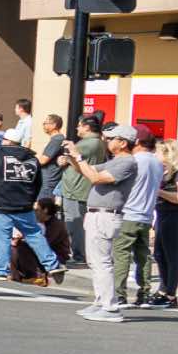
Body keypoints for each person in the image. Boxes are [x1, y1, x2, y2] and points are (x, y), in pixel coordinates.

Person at [62, 123, 138, 324]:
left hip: (106, 216)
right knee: (95, 262)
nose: (107, 141)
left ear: (123, 143)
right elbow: (86, 171)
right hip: (97, 215)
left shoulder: (127, 163)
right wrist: (72, 157)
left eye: (111, 139)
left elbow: (95, 178)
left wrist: (78, 157)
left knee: (102, 262)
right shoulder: (114, 161)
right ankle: (100, 302)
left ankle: (110, 307)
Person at [0, 129, 65, 283]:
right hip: (24, 206)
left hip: (1, 205)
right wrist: (30, 200)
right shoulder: (33, 160)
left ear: (7, 141)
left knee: (2, 238)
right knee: (34, 235)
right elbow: (38, 183)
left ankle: (1, 271)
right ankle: (53, 264)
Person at [112, 126, 164, 307]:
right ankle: (144, 294)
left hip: (128, 212)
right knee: (143, 255)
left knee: (122, 253)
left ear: (138, 142)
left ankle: (119, 294)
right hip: (147, 214)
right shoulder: (157, 162)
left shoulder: (134, 161)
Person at [55, 112, 104, 265]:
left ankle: (79, 256)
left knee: (74, 223)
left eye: (79, 125)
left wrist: (66, 156)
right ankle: (80, 254)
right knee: (78, 223)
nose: (77, 128)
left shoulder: (87, 144)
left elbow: (68, 158)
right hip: (81, 187)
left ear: (87, 127)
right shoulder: (97, 142)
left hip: (76, 189)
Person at [8, 199, 71, 286]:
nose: (34, 213)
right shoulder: (39, 222)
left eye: (37, 210)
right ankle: (17, 276)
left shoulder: (56, 225)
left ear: (45, 210)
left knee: (23, 247)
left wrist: (23, 238)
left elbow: (44, 244)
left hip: (55, 255)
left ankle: (38, 276)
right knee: (14, 248)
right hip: (40, 254)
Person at [153, 138, 178, 308]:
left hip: (174, 216)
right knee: (159, 254)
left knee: (172, 256)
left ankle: (170, 294)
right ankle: (163, 290)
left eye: (158, 152)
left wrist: (159, 192)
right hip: (162, 214)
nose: (155, 155)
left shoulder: (177, 173)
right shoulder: (163, 173)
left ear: (168, 154)